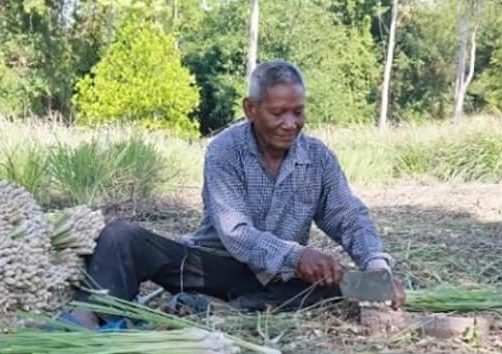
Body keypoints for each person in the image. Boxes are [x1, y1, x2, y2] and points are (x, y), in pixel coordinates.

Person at [73, 60, 404, 327]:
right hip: (212, 268)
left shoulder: (317, 158)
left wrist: (375, 265)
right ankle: (92, 317)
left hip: (280, 279)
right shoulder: (225, 151)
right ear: (250, 109)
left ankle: (227, 310)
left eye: (298, 112)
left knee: (353, 285)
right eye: (278, 113)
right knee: (120, 236)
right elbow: (236, 233)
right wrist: (297, 256)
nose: (290, 123)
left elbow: (348, 216)